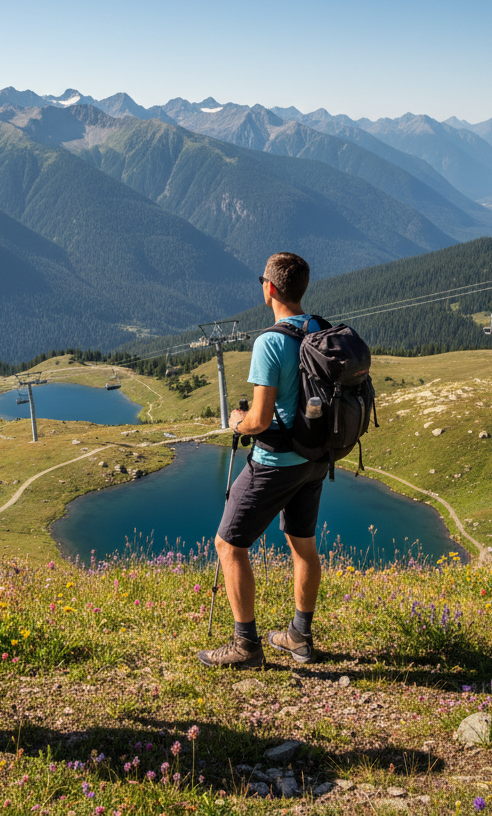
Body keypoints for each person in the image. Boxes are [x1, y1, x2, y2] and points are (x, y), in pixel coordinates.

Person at [197, 252, 330, 669]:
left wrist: (238, 423)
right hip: (315, 459)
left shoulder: (271, 341)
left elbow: (259, 419)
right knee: (303, 545)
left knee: (228, 544)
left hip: (275, 462)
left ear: (270, 288)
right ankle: (298, 637)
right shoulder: (319, 330)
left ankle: (246, 646)